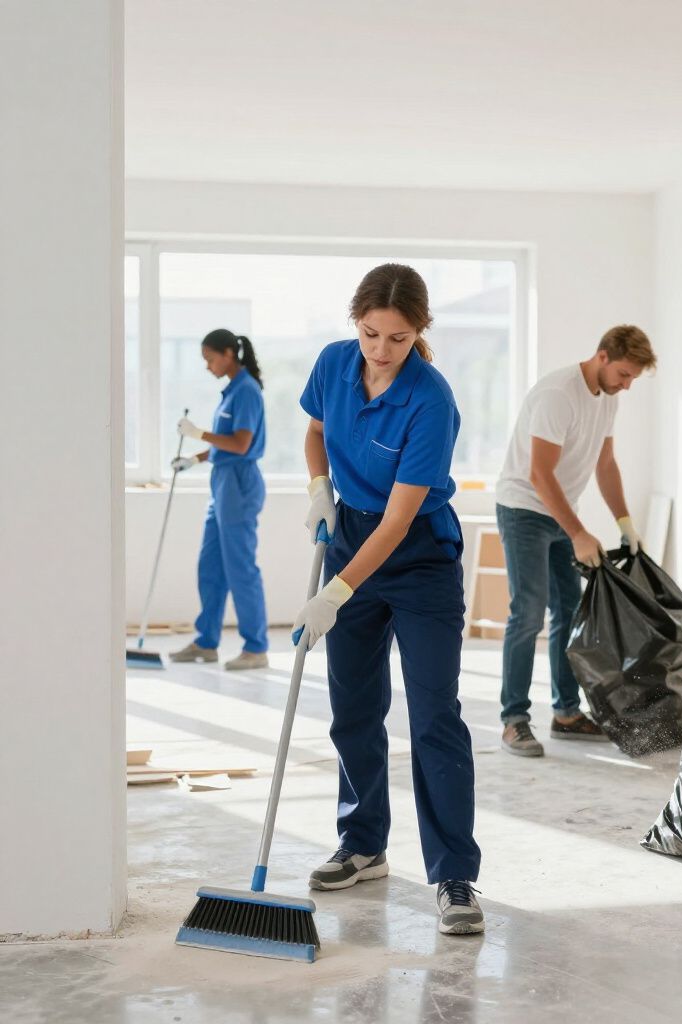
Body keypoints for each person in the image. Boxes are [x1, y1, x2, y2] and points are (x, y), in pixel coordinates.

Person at [292, 263, 483, 936]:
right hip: (350, 535)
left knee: (433, 716)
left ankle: (454, 875)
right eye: (371, 333)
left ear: (419, 333)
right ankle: (363, 842)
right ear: (356, 323)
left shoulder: (432, 400)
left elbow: (400, 520)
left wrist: (335, 593)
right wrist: (320, 488)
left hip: (419, 554)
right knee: (353, 708)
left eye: (397, 339)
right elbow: (315, 429)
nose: (380, 350)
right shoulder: (335, 363)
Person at [494, 325, 657, 757]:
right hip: (524, 509)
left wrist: (624, 522)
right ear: (602, 356)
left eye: (632, 379)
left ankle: (566, 713)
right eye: (624, 374)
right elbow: (539, 475)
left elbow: (605, 465)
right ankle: (514, 720)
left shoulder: (607, 400)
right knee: (527, 612)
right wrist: (579, 533)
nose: (626, 385)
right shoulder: (558, 395)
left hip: (560, 510)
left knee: (568, 611)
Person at [169, 329, 269, 670]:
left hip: (239, 485)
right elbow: (223, 442)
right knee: (209, 565)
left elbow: (240, 444)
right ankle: (207, 642)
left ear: (229, 354)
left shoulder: (246, 392)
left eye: (211, 359)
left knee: (240, 567)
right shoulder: (229, 392)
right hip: (221, 483)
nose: (208, 366)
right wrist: (194, 459)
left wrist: (198, 432)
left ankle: (256, 648)